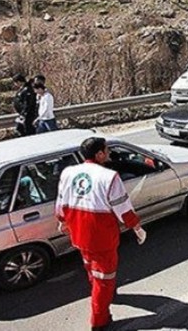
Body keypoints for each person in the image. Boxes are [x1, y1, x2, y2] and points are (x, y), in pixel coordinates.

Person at [55, 137, 147, 331]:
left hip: (78, 235)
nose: (109, 154)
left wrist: (62, 222)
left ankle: (105, 293)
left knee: (91, 268)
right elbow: (124, 209)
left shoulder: (68, 172)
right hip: (102, 238)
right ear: (99, 154)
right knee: (104, 279)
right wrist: (137, 228)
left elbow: (61, 204)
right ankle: (99, 321)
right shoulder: (110, 177)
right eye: (106, 150)